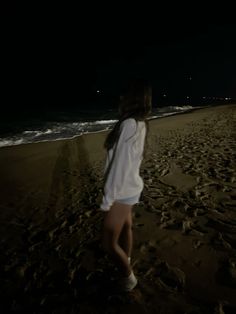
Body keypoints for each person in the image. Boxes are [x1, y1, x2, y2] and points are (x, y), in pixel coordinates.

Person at [98, 79, 152, 291]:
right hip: (131, 187)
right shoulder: (140, 122)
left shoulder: (129, 124)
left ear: (132, 99)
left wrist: (107, 199)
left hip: (122, 191)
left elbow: (119, 166)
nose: (121, 98)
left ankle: (128, 278)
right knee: (127, 227)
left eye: (124, 94)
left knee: (108, 243)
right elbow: (130, 161)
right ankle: (126, 261)